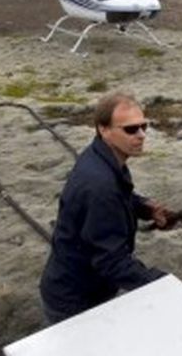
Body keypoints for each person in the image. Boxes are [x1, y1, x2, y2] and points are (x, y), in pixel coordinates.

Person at [39, 92, 172, 323]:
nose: (141, 135)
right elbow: (111, 261)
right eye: (130, 129)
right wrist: (164, 284)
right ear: (104, 130)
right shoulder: (99, 185)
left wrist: (144, 207)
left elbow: (120, 195)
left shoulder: (103, 159)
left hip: (82, 287)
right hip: (75, 302)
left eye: (144, 127)